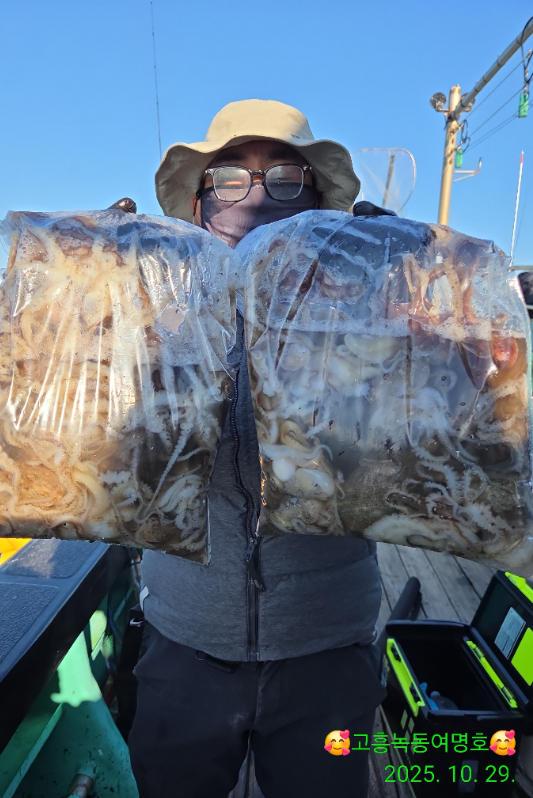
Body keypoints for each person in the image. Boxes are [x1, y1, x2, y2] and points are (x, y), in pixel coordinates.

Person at [128, 99, 386, 798]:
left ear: (316, 198)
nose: (256, 195)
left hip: (328, 643)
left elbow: (428, 440)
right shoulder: (156, 307)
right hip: (184, 637)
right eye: (230, 177)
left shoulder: (367, 306)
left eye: (284, 177)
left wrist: (402, 287)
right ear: (199, 202)